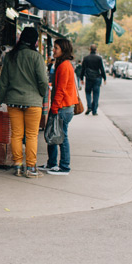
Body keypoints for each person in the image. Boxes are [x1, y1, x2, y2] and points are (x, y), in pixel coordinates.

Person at [0, 26, 48, 178]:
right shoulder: (36, 57)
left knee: (16, 135)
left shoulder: (10, 56)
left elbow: (3, 82)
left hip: (14, 101)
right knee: (31, 135)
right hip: (33, 102)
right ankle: (30, 168)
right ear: (34, 41)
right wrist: (41, 94)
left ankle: (17, 166)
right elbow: (43, 81)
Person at [43, 39, 78, 175]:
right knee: (53, 133)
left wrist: (55, 107)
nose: (53, 50)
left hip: (62, 107)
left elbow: (61, 90)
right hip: (63, 107)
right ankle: (52, 163)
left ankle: (64, 166)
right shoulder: (63, 64)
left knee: (62, 137)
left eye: (56, 48)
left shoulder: (64, 65)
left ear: (63, 49)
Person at [78, 44, 107, 115]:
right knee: (96, 94)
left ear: (90, 49)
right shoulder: (99, 58)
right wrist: (104, 78)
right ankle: (94, 110)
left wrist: (81, 78)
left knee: (88, 92)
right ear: (96, 50)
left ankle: (89, 107)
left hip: (88, 78)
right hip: (97, 78)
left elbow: (83, 69)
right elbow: (101, 69)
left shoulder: (86, 58)